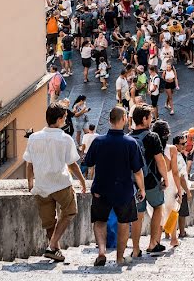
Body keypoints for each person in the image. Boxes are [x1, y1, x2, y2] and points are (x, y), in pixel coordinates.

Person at [23, 102, 87, 263]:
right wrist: (83, 181)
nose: (65, 121)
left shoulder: (33, 138)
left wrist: (30, 183)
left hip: (42, 185)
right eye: (65, 118)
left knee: (49, 222)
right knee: (70, 211)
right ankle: (53, 245)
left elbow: (29, 164)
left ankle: (54, 249)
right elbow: (72, 164)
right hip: (61, 184)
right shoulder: (65, 139)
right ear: (59, 119)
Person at [84, 107, 145, 266]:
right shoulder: (131, 143)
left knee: (99, 221)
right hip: (124, 191)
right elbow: (137, 171)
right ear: (124, 119)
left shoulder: (98, 141)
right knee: (124, 222)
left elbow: (88, 162)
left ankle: (102, 252)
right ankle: (119, 257)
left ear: (109, 120)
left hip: (101, 190)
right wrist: (142, 189)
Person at [129, 105, 169, 257]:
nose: (151, 120)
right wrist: (165, 178)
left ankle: (135, 249)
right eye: (150, 117)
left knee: (138, 214)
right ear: (144, 119)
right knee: (158, 207)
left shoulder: (129, 137)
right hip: (151, 181)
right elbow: (160, 160)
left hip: (134, 183)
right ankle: (153, 243)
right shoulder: (152, 137)